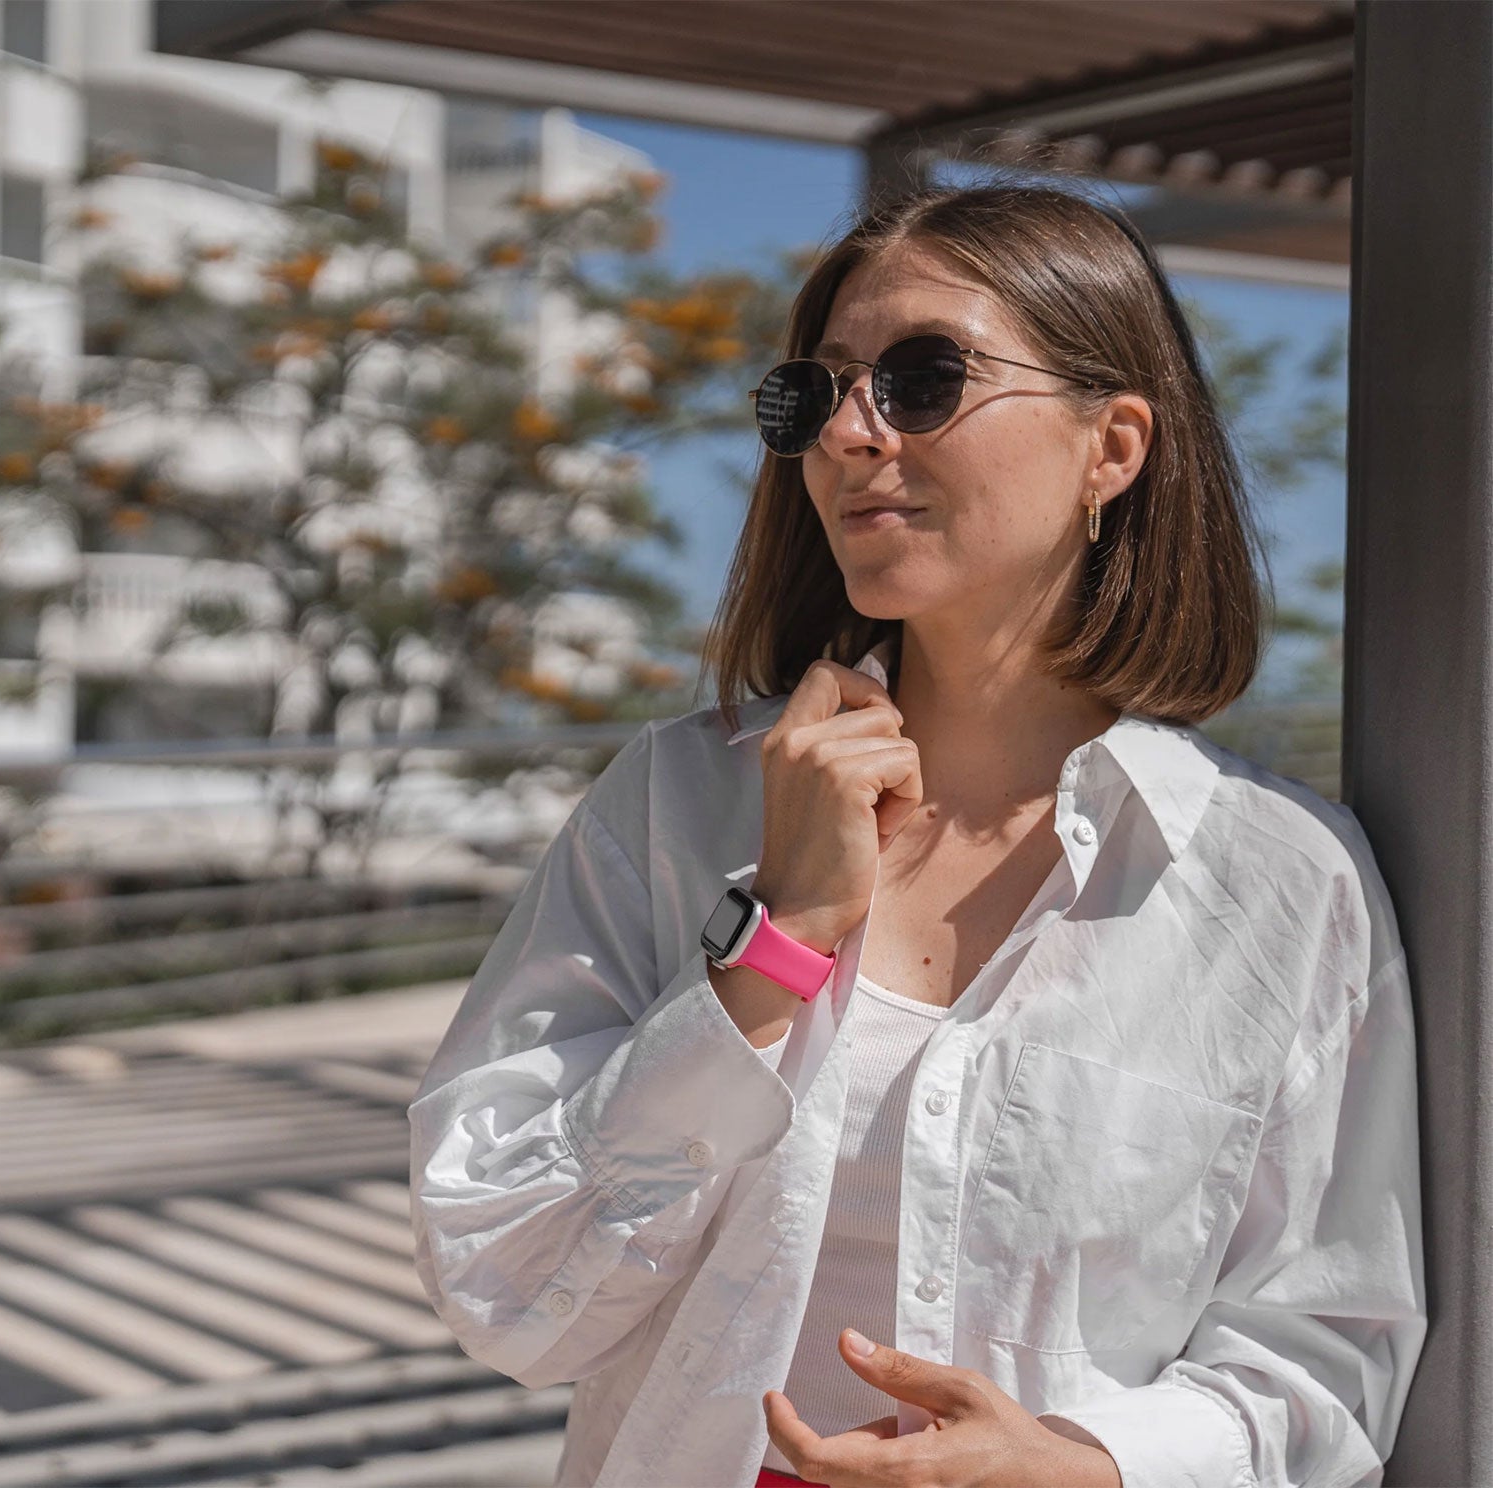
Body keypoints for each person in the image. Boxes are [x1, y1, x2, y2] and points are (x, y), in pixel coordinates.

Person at [408, 182, 1426, 1488]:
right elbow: (502, 1286)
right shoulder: (676, 804)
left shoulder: (1282, 883)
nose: (849, 433)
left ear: (1112, 447)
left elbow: (1331, 1352)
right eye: (815, 394)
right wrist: (774, 945)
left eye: (924, 378)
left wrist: (1082, 1465)